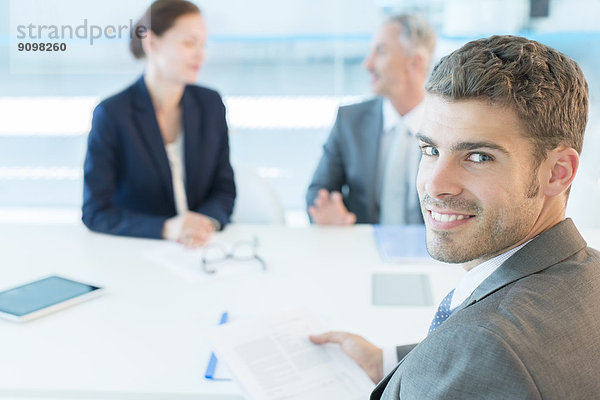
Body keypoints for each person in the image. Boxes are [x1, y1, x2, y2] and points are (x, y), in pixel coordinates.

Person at [311, 35, 600, 398]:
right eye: (430, 149)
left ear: (557, 172)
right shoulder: (588, 277)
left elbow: (482, 357)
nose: (435, 183)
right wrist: (384, 363)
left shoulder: (487, 351)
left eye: (478, 157)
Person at [82, 0, 235, 248]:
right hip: (140, 253)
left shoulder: (211, 105)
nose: (201, 54)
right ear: (151, 42)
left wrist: (203, 224)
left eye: (203, 44)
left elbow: (224, 189)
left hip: (202, 250)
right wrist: (166, 228)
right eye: (189, 43)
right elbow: (96, 212)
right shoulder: (112, 114)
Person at [306, 14, 436, 225]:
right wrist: (330, 212)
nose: (368, 64)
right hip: (361, 249)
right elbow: (318, 191)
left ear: (414, 63)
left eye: (381, 51)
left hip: (431, 253)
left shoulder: (450, 125)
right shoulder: (349, 120)